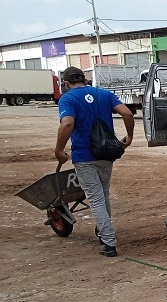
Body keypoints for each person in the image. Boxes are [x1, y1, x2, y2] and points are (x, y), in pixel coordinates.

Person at [54, 67, 134, 257]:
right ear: (85, 79)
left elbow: (67, 123)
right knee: (103, 194)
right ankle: (103, 231)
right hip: (107, 153)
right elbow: (128, 114)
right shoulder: (104, 94)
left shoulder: (68, 99)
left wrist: (58, 150)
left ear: (66, 84)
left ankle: (108, 242)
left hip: (84, 156)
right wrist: (129, 136)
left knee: (96, 198)